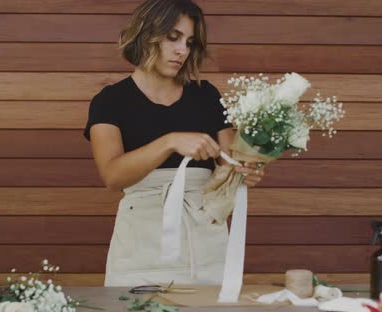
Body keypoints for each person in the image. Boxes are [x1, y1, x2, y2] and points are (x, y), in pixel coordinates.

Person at [83, 0, 265, 287]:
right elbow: (112, 176)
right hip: (140, 242)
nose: (182, 50)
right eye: (173, 38)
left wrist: (245, 170)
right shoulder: (110, 102)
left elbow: (231, 163)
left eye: (189, 42)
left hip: (205, 237)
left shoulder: (206, 96)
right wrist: (170, 142)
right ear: (145, 34)